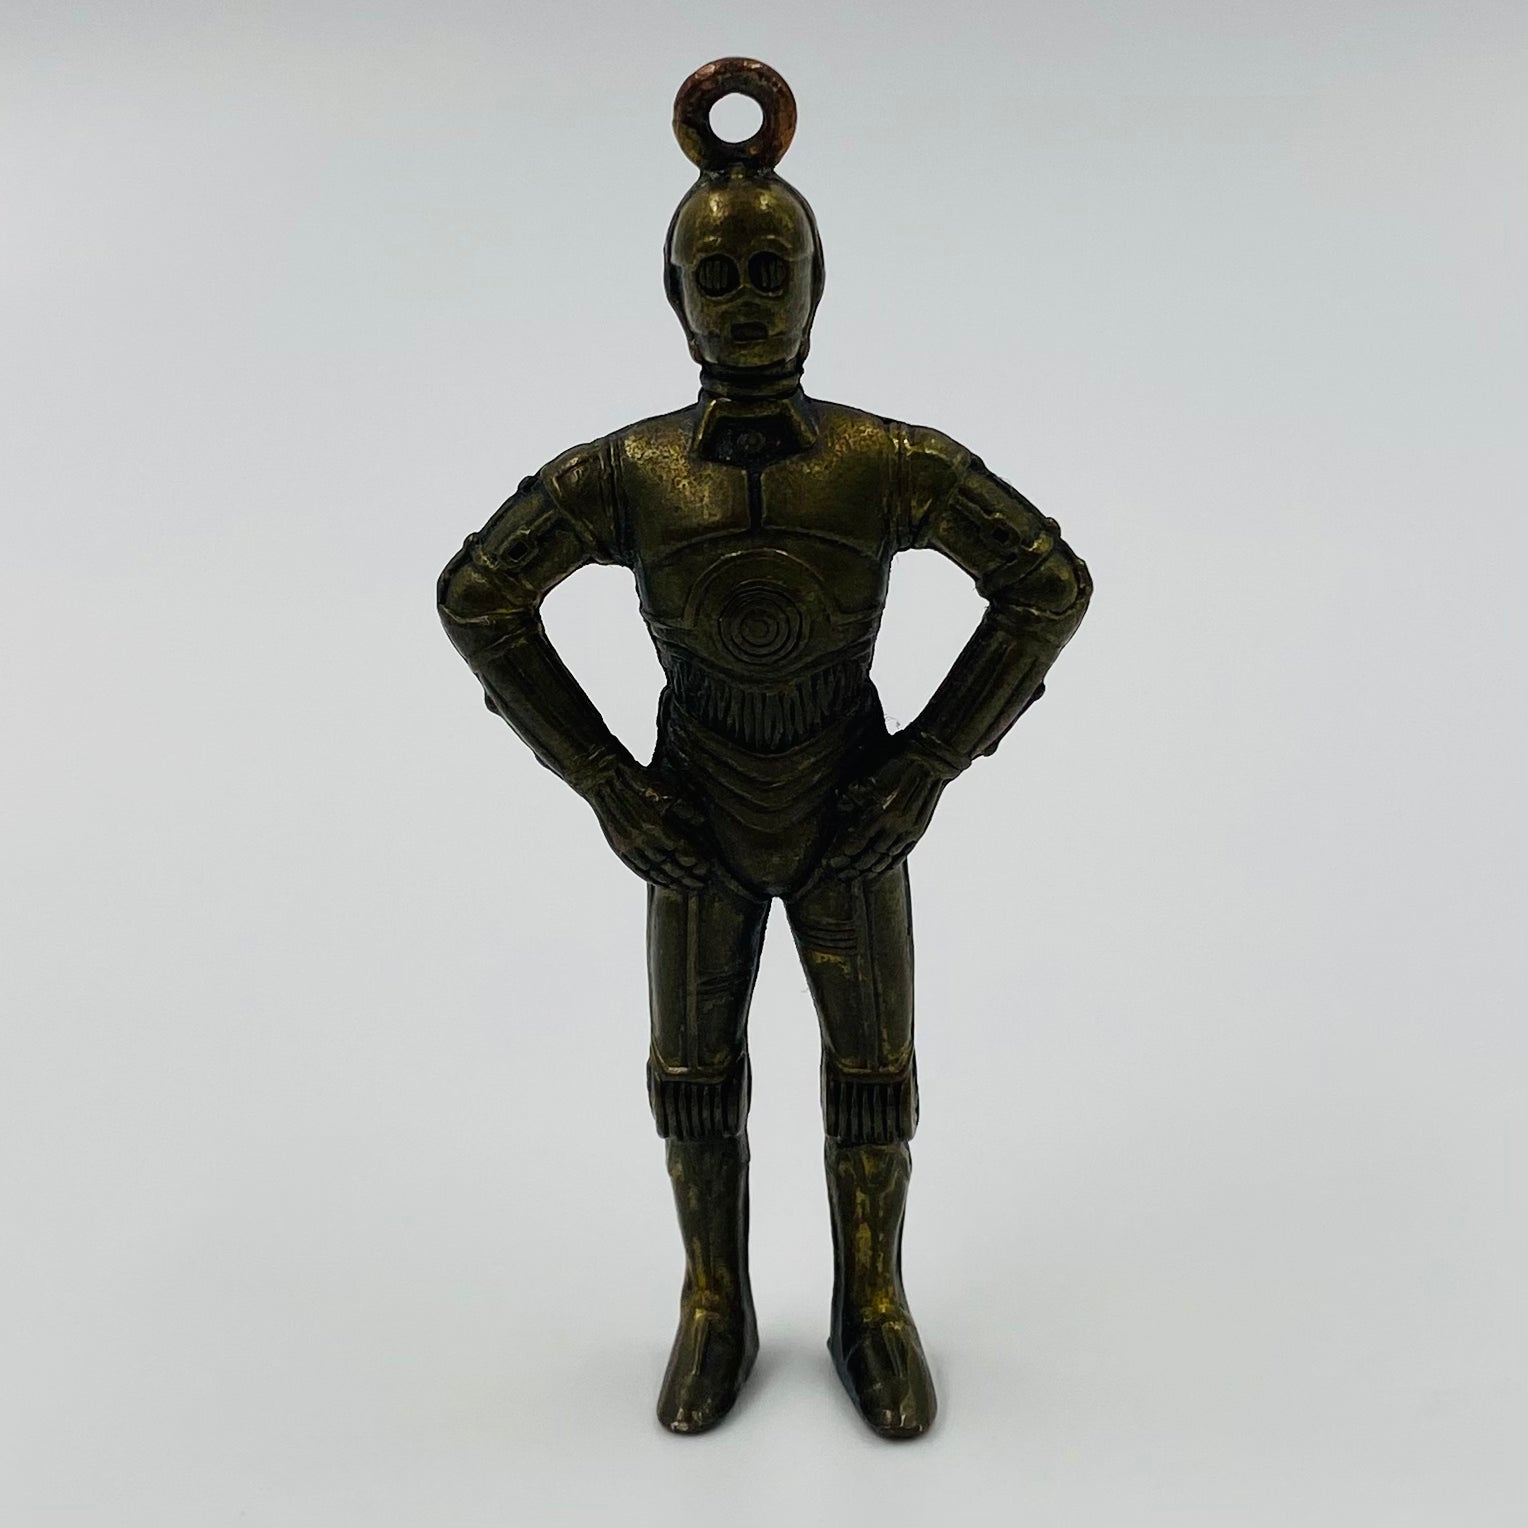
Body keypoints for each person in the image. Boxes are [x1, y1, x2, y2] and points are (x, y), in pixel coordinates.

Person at [437, 57, 1091, 1439]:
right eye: (717, 277)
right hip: (691, 814)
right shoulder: (628, 474)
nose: (745, 302)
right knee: (693, 1080)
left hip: (854, 805)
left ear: (818, 284)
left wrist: (925, 764)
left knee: (874, 1072)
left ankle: (874, 1305)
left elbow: (1045, 582)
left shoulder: (885, 462)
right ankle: (713, 1301)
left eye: (771, 271)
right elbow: (479, 596)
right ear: (674, 296)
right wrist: (609, 786)